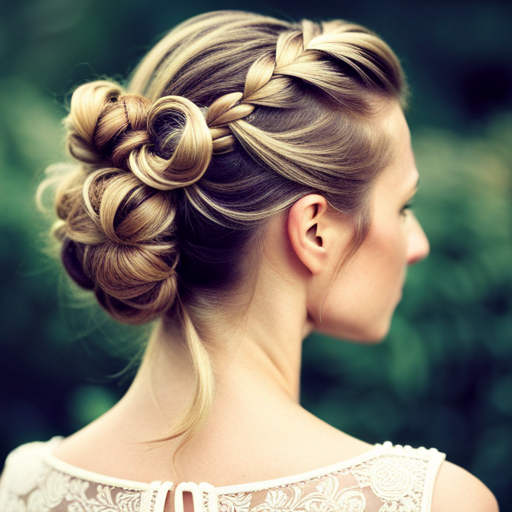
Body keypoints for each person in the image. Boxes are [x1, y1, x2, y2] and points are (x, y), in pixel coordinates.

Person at [0, 9, 499, 512]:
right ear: (314, 231)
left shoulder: (23, 488)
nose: (419, 245)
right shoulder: (431, 501)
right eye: (403, 207)